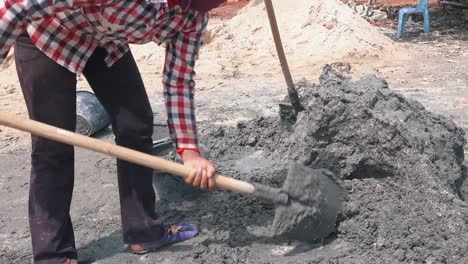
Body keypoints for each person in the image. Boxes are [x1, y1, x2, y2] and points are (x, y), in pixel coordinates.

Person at [0, 0, 226, 263]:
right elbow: (16, 7)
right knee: (52, 143)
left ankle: (143, 228)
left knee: (136, 123)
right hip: (49, 31)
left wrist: (190, 152)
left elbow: (179, 80)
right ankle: (54, 254)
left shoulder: (194, 16)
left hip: (103, 37)